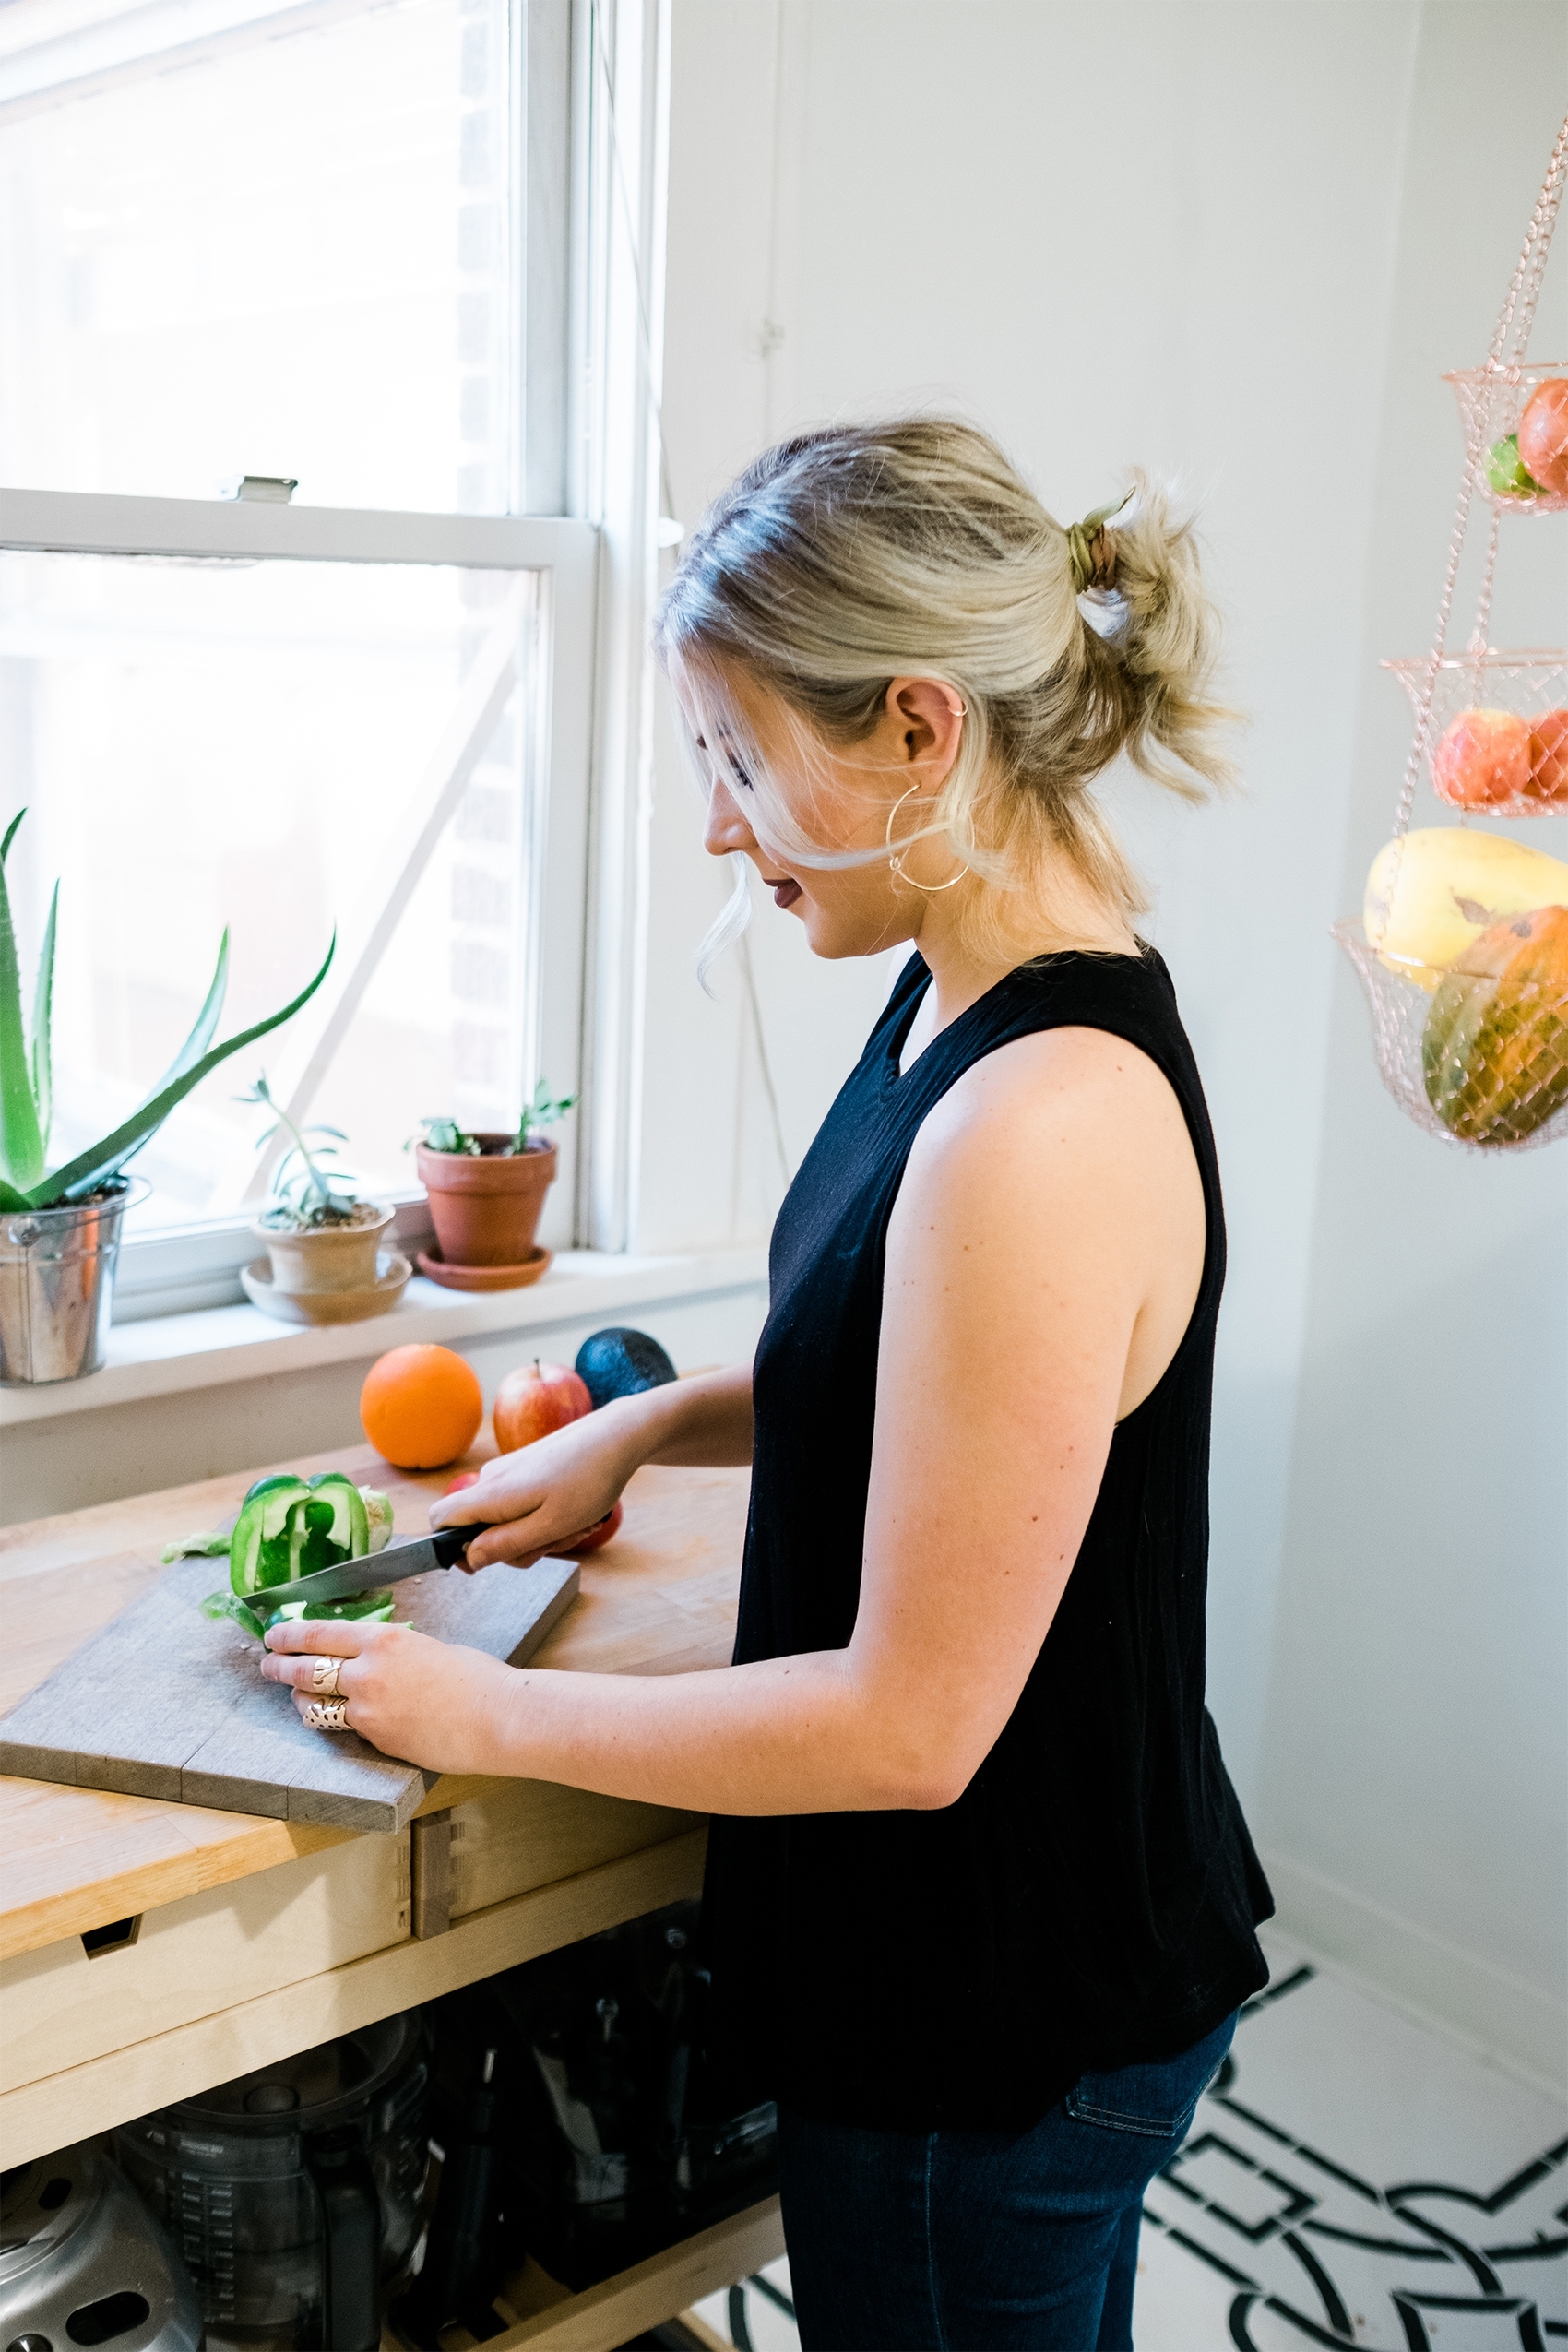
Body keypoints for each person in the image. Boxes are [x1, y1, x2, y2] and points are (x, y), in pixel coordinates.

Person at [263, 419, 1274, 2350]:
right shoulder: (966, 984)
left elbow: (908, 1730)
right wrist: (647, 1424)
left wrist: (473, 1710)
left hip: (997, 2016)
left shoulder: (1038, 1123)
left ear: (916, 730)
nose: (717, 823)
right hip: (1024, 1949)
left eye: (735, 758)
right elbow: (922, 1367)